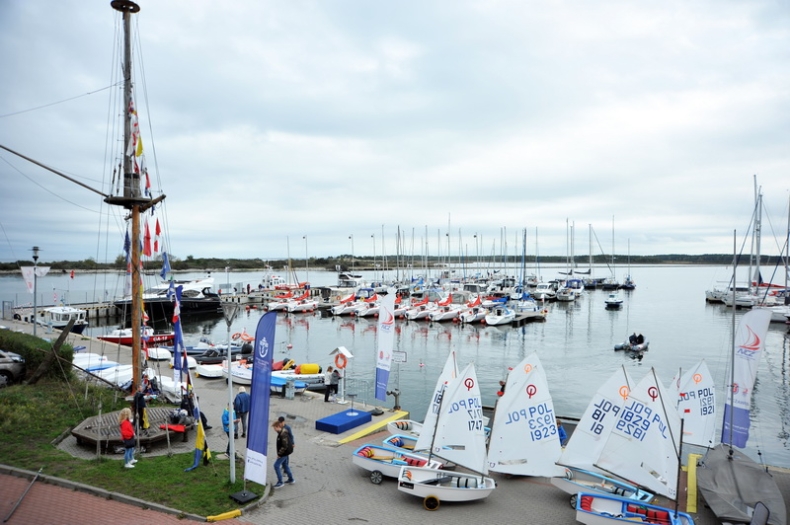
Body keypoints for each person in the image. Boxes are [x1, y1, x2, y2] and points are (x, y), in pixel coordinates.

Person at [272, 417, 295, 488]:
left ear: (277, 426)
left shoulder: (282, 434)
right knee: (285, 465)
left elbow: (284, 446)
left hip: (284, 453)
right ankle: (291, 479)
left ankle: (280, 482)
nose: (274, 430)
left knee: (276, 465)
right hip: (285, 453)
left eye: (274, 428)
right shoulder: (281, 432)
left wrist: (279, 454)